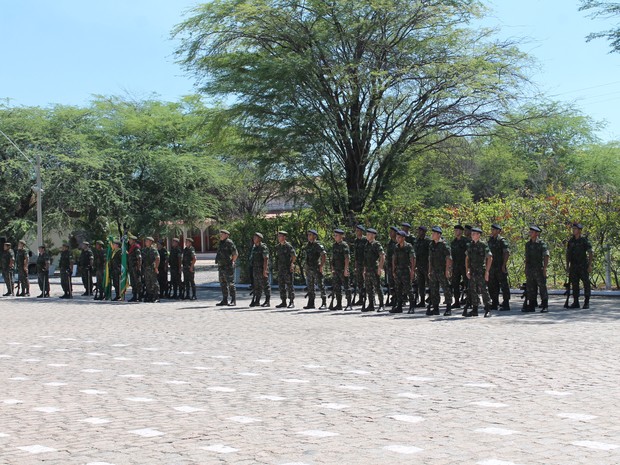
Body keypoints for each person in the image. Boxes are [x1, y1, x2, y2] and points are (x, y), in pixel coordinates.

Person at [465, 227, 493, 317]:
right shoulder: (470, 245)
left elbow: (490, 257)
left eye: (474, 234)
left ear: (478, 235)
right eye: (472, 234)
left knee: (484, 290)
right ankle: (475, 309)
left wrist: (487, 271)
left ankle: (488, 309)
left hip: (481, 270)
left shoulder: (483, 245)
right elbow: (467, 258)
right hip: (473, 271)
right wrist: (467, 270)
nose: (472, 235)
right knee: (473, 290)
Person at [566, 222, 593, 309]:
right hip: (573, 266)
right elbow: (568, 254)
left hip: (583, 265)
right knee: (574, 284)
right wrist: (567, 265)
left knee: (586, 283)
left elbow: (590, 252)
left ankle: (586, 302)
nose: (573, 230)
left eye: (575, 229)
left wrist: (589, 265)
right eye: (573, 229)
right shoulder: (571, 241)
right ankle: (576, 302)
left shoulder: (584, 240)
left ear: (580, 231)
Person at [427, 226, 453, 316]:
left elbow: (449, 258)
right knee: (434, 289)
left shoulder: (444, 245)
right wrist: (429, 270)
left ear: (438, 235)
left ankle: (448, 308)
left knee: (446, 289)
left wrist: (447, 270)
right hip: (434, 270)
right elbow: (430, 258)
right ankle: (435, 308)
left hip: (442, 270)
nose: (432, 235)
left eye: (434, 233)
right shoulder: (431, 245)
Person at [524, 225, 549, 313]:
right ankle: (531, 305)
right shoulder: (528, 244)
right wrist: (526, 268)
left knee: (542, 287)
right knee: (531, 287)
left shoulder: (541, 244)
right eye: (530, 231)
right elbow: (527, 258)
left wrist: (545, 268)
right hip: (530, 269)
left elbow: (546, 255)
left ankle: (545, 305)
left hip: (539, 269)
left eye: (532, 232)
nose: (530, 233)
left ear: (537, 233)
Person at [390, 230, 416, 314]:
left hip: (406, 270)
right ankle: (399, 306)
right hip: (398, 271)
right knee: (398, 289)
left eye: (399, 237)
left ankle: (412, 306)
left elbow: (412, 258)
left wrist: (412, 271)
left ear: (403, 238)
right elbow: (394, 259)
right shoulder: (396, 247)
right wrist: (393, 270)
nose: (397, 239)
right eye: (397, 237)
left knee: (408, 289)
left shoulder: (408, 246)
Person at [488, 224, 511, 311]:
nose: (492, 231)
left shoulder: (502, 241)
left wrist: (503, 265)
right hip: (492, 267)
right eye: (492, 229)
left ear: (498, 231)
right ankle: (494, 302)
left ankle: (506, 303)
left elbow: (506, 253)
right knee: (492, 285)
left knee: (504, 285)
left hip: (500, 266)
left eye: (494, 229)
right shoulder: (490, 240)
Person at [362, 228, 385, 312]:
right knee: (368, 288)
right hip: (367, 269)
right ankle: (371, 304)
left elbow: (382, 256)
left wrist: (380, 268)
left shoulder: (376, 244)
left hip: (374, 269)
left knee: (378, 287)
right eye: (367, 234)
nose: (367, 236)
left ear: (373, 235)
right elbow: (364, 259)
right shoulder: (366, 245)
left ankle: (381, 305)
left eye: (368, 234)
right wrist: (364, 270)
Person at [303, 229, 327, 309]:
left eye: (310, 235)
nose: (308, 236)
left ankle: (324, 302)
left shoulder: (318, 245)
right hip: (309, 268)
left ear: (315, 236)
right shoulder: (308, 245)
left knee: (320, 285)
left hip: (316, 268)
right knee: (310, 286)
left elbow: (323, 255)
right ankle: (311, 303)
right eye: (308, 235)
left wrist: (321, 266)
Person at [215, 229, 238, 306]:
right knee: (223, 283)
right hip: (221, 266)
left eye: (222, 234)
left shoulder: (229, 242)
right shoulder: (221, 243)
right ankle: (224, 300)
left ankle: (233, 300)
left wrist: (232, 262)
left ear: (226, 235)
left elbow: (235, 253)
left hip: (228, 267)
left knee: (230, 283)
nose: (220, 235)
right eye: (220, 234)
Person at [330, 228, 352, 310]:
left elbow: (347, 258)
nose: (335, 237)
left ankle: (349, 304)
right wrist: (332, 268)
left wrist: (346, 269)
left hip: (343, 269)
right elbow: (333, 258)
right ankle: (338, 304)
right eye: (334, 235)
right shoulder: (334, 245)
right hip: (336, 269)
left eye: (336, 235)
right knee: (337, 287)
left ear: (341, 236)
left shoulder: (344, 245)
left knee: (346, 287)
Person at [274, 231, 296, 308]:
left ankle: (291, 301)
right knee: (281, 285)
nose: (279, 238)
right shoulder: (278, 247)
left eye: (280, 236)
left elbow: (293, 256)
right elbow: (277, 258)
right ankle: (283, 301)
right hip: (280, 269)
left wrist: (292, 264)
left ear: (284, 237)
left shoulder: (288, 246)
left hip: (287, 269)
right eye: (278, 236)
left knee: (290, 285)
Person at [450, 225, 469, 308]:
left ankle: (469, 301)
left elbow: (469, 254)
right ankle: (456, 302)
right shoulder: (453, 242)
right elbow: (451, 256)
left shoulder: (466, 241)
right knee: (455, 284)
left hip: (464, 266)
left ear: (461, 231)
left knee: (467, 283)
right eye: (455, 230)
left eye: (457, 230)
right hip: (456, 266)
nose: (456, 232)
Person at [249, 232, 270, 307]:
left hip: (262, 269)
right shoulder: (254, 247)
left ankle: (267, 301)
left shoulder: (263, 247)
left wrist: (265, 270)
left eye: (256, 237)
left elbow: (266, 259)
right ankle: (257, 300)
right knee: (257, 286)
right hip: (255, 269)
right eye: (254, 237)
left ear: (260, 239)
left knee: (265, 285)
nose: (254, 239)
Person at [415, 226, 431, 307]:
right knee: (420, 284)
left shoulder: (428, 241)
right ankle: (422, 301)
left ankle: (431, 299)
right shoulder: (417, 241)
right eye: (418, 231)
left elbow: (430, 254)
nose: (419, 232)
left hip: (426, 265)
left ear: (424, 232)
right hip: (419, 265)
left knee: (430, 283)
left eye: (420, 231)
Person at [352, 225, 367, 306]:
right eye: (356, 230)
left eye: (358, 230)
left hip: (365, 263)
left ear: (361, 231)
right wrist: (355, 265)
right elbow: (356, 254)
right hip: (358, 263)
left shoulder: (365, 240)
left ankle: (368, 298)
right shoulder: (356, 241)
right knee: (359, 282)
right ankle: (361, 298)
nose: (356, 232)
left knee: (367, 281)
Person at [142, 237, 160, 302]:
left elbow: (157, 258)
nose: (146, 242)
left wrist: (156, 267)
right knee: (147, 283)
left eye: (147, 241)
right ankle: (150, 296)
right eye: (146, 241)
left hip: (152, 268)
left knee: (154, 283)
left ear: (151, 242)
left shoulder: (153, 250)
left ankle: (156, 297)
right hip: (146, 268)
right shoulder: (144, 250)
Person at [385, 226, 398, 306]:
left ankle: (400, 299)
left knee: (398, 283)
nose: (390, 233)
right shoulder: (389, 243)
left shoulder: (398, 242)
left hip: (398, 267)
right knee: (391, 283)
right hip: (390, 266)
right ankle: (393, 298)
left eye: (391, 232)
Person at [127, 235, 142, 302]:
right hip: (131, 267)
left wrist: (139, 267)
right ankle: (134, 296)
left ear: (133, 241)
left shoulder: (136, 248)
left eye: (130, 240)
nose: (129, 241)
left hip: (135, 267)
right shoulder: (131, 247)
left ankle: (140, 296)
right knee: (133, 282)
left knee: (137, 282)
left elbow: (139, 258)